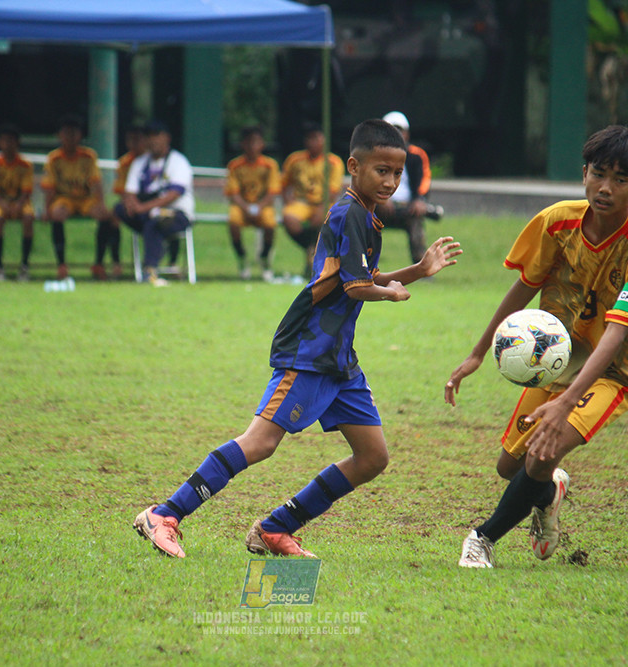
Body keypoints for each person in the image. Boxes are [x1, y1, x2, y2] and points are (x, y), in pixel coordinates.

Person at [133, 118, 463, 558]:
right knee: (260, 442)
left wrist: (417, 272)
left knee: (372, 457)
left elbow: (367, 276)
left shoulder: (366, 216)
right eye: (381, 170)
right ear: (354, 166)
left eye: (398, 173)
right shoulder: (348, 213)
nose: (391, 181)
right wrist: (389, 293)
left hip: (338, 358)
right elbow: (358, 287)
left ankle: (275, 528)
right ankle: (165, 513)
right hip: (309, 350)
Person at [444, 125, 628, 569]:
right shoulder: (557, 221)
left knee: (544, 451)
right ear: (584, 172)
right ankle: (549, 493)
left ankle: (482, 539)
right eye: (598, 173)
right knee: (512, 466)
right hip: (557, 359)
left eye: (620, 179)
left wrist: (565, 402)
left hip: (616, 369)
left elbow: (618, 333)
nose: (605, 187)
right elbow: (525, 286)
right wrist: (477, 353)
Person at [114, 120, 194, 287]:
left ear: (167, 138)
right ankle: (149, 267)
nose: (153, 140)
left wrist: (143, 208)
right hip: (145, 214)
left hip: (176, 213)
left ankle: (150, 269)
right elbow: (130, 191)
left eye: (156, 135)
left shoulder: (178, 162)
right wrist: (132, 204)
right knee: (120, 209)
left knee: (155, 221)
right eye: (149, 136)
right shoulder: (140, 162)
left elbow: (173, 194)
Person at [40, 113, 112, 280]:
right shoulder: (54, 158)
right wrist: (46, 209)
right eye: (66, 133)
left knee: (104, 215)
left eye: (74, 133)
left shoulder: (88, 156)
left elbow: (96, 183)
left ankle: (98, 264)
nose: (70, 137)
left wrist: (101, 204)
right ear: (60, 135)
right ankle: (61, 265)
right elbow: (49, 187)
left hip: (85, 199)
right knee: (57, 214)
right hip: (64, 198)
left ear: (80, 135)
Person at [377, 111, 444, 264]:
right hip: (379, 206)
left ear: (406, 133)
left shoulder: (417, 155)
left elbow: (424, 180)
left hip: (408, 207)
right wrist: (381, 199)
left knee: (416, 222)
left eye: (399, 130)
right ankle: (362, 265)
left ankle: (421, 267)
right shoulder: (374, 155)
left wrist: (419, 200)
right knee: (362, 218)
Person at [280, 124, 344, 275]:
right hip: (302, 202)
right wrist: (287, 200)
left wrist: (322, 207)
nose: (313, 142)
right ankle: (311, 247)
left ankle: (315, 256)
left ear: (324, 140)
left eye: (317, 138)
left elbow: (333, 191)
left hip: (324, 202)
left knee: (323, 218)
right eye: (310, 138)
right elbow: (283, 183)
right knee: (289, 218)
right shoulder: (295, 160)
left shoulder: (333, 161)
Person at [224, 125, 282, 281]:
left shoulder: (270, 165)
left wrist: (258, 207)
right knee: (233, 221)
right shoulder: (235, 165)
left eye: (256, 142)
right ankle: (242, 257)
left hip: (262, 206)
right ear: (242, 144)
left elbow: (272, 192)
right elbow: (233, 193)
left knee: (270, 224)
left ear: (262, 144)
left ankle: (264, 257)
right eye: (248, 142)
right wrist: (246, 207)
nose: (252, 146)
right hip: (242, 206)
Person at [0, 123, 35, 282]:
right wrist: (4, 205)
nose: (8, 144)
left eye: (11, 140)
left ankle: (24, 265)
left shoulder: (25, 165)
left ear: (18, 143)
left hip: (19, 201)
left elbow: (26, 191)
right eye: (4, 140)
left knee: (28, 218)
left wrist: (18, 205)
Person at [94, 125, 147, 281]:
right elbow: (122, 190)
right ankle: (110, 263)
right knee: (111, 217)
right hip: (131, 205)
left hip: (151, 204)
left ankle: (170, 262)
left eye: (137, 140)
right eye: (130, 140)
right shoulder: (125, 162)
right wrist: (130, 205)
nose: (134, 144)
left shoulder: (151, 160)